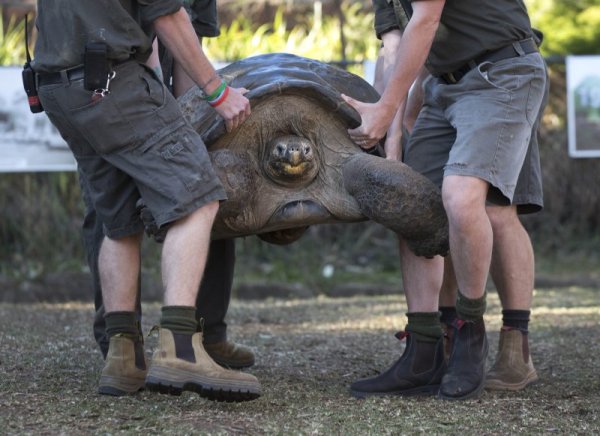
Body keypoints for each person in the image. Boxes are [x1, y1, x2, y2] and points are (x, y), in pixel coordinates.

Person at [33, 0, 260, 401]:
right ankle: (181, 350)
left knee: (117, 220)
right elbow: (168, 15)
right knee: (198, 196)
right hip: (111, 82)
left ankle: (123, 356)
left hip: (58, 86)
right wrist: (218, 91)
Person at [344, 0, 548, 400]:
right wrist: (396, 133)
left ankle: (485, 338)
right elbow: (396, 47)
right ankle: (425, 348)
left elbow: (427, 19)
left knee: (476, 203)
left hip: (503, 73)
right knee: (410, 201)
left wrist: (385, 111)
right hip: (443, 86)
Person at [85, 0, 255, 371]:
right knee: (123, 209)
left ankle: (202, 335)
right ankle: (134, 346)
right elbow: (162, 21)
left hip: (132, 88)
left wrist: (188, 120)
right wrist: (207, 96)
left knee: (206, 180)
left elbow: (188, 40)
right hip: (116, 78)